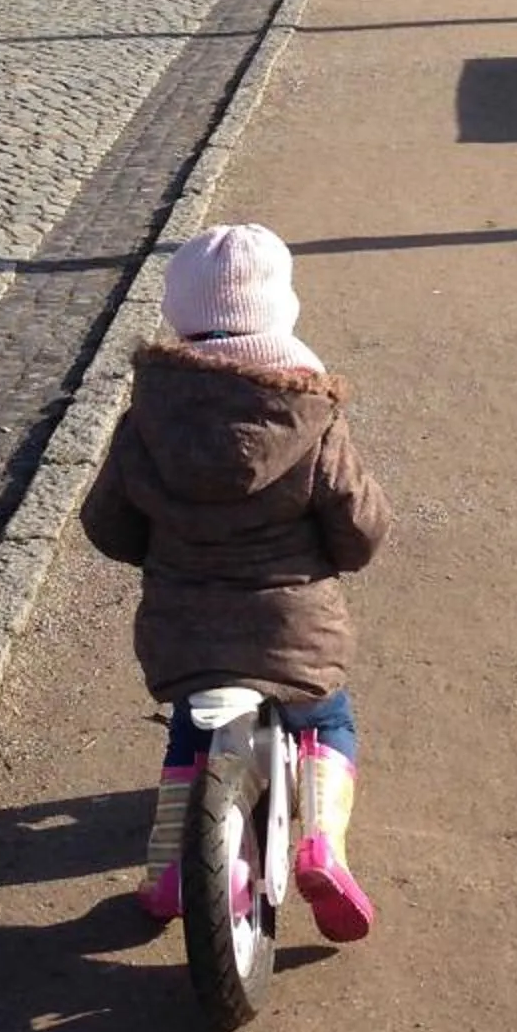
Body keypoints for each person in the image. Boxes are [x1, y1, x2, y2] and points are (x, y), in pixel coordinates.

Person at [80, 223, 391, 943]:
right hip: (293, 627)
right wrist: (337, 554)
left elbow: (108, 524)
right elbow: (359, 527)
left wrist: (161, 550)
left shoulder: (146, 420)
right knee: (327, 717)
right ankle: (321, 843)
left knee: (190, 730)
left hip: (183, 629)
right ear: (280, 312)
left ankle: (169, 866)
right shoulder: (311, 417)